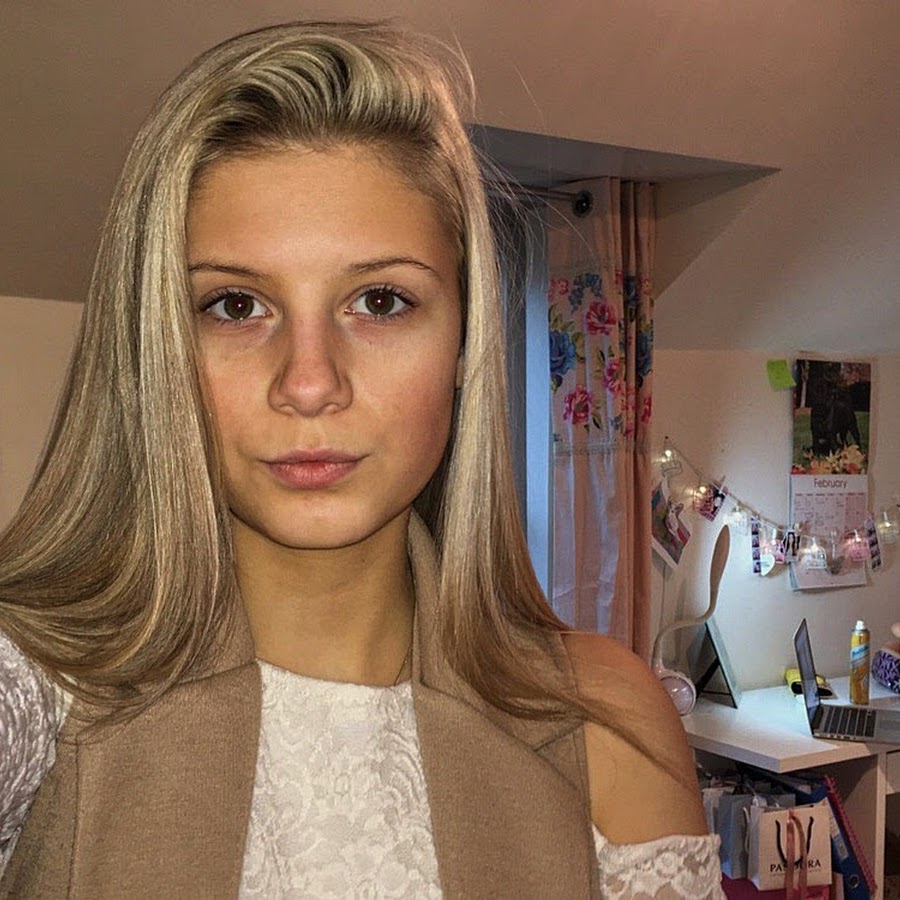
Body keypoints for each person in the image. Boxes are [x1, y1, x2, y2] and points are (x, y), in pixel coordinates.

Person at [0, 21, 722, 898]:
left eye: (380, 301)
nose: (309, 384)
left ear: (465, 342)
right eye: (235, 305)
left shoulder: (610, 726)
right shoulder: (41, 689)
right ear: (158, 344)